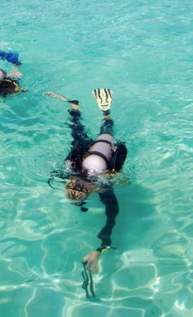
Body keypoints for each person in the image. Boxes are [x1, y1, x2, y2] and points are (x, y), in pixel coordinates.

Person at [52, 88, 127, 285]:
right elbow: (110, 219)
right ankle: (77, 109)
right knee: (78, 134)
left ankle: (102, 113)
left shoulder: (104, 186)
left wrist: (101, 248)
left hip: (102, 152)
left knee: (104, 134)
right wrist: (101, 248)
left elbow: (112, 217)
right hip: (90, 153)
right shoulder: (70, 172)